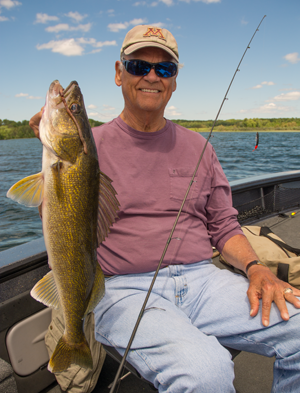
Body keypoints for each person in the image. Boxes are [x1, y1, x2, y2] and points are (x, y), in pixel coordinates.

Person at [30, 25, 300, 392]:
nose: (152, 76)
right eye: (139, 66)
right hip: (122, 289)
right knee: (207, 371)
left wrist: (256, 269)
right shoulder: (86, 148)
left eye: (165, 69)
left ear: (174, 81)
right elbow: (63, 228)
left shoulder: (199, 147)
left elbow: (223, 225)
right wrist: (49, 159)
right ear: (118, 72)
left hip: (203, 281)